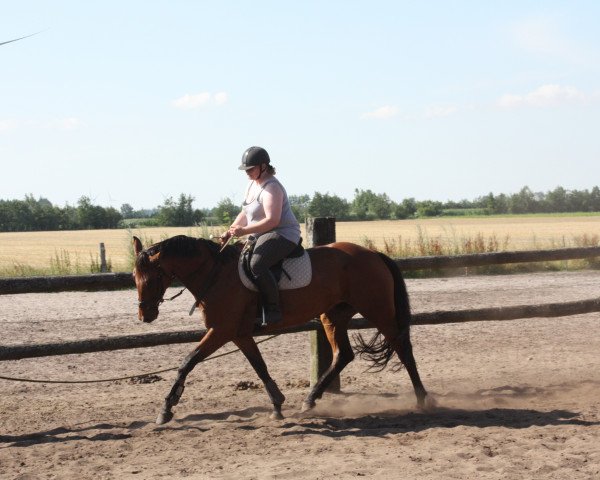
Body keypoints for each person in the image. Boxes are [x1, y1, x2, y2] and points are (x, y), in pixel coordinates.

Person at [221, 146, 301, 325]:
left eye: (250, 169)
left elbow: (273, 220)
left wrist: (244, 231)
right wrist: (231, 230)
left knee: (256, 264)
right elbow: (245, 213)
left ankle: (273, 310)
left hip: (282, 233)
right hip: (261, 234)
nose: (247, 173)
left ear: (263, 167)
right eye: (246, 170)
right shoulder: (252, 184)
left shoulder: (272, 188)